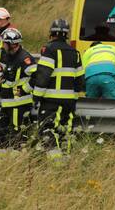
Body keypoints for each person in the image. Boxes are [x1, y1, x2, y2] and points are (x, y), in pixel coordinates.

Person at [32, 19, 84, 160]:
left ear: (52, 33)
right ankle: (66, 160)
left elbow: (43, 76)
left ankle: (55, 162)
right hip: (69, 102)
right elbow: (80, 80)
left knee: (48, 130)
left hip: (51, 101)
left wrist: (36, 97)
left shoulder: (49, 50)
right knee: (65, 132)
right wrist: (74, 97)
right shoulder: (75, 52)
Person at [0, 27, 36, 156]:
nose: (2, 45)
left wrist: (23, 90)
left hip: (19, 104)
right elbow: (1, 74)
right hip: (7, 103)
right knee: (0, 135)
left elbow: (37, 77)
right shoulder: (6, 56)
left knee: (17, 136)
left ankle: (17, 164)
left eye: (4, 43)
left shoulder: (25, 58)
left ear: (11, 44)